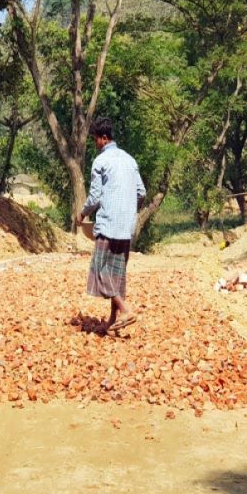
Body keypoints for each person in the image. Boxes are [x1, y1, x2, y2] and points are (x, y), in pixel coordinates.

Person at [77, 117, 146, 334]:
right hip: (126, 226)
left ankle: (125, 309)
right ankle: (113, 320)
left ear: (103, 138)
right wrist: (128, 209)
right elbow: (141, 193)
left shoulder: (101, 162)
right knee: (117, 271)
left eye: (95, 140)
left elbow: (95, 197)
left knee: (100, 269)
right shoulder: (130, 160)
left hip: (108, 223)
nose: (95, 144)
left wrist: (82, 213)